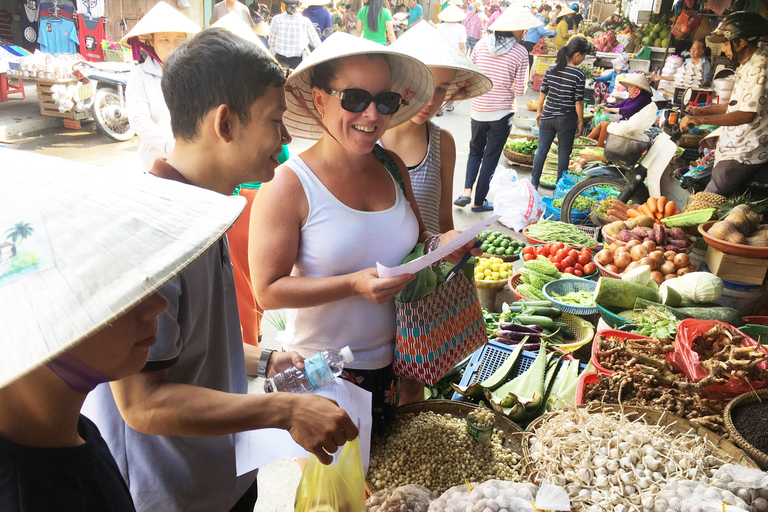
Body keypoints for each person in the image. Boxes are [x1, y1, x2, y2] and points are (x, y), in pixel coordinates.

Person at [82, 28, 358, 512]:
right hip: (168, 493)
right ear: (225, 123)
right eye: (276, 121)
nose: (287, 137)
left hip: (222, 476)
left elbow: (192, 346)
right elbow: (143, 403)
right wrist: (286, 408)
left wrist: (265, 360)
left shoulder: (207, 211)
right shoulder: (153, 233)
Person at [250, 32, 479, 423]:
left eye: (385, 101)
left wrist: (445, 243)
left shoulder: (392, 165)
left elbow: (420, 239)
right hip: (326, 374)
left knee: (393, 484)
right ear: (320, 98)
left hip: (402, 361)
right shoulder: (288, 184)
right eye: (355, 98)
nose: (371, 114)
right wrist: (352, 284)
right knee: (340, 484)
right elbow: (267, 291)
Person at [0, 148, 245, 512]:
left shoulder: (73, 432)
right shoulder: (29, 493)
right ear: (45, 312)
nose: (158, 304)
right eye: (121, 290)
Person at [382, 21, 491, 233]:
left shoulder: (443, 143)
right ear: (399, 80)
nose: (431, 101)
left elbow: (443, 218)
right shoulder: (367, 139)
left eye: (441, 89)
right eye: (421, 86)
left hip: (426, 264)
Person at [454, 5, 536, 212]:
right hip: (502, 113)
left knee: (475, 152)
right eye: (522, 29)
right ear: (515, 30)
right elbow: (519, 90)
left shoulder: (481, 45)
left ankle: (466, 191)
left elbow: (471, 75)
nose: (523, 33)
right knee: (490, 157)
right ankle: (479, 202)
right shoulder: (520, 52)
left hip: (478, 109)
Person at [680, 12, 768, 196]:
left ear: (741, 42)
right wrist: (700, 111)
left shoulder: (760, 66)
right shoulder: (747, 64)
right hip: (731, 146)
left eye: (726, 43)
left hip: (746, 152)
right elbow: (735, 104)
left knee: (708, 201)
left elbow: (747, 114)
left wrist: (701, 120)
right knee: (694, 181)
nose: (723, 49)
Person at [123, 3, 200, 172]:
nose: (172, 46)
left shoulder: (194, 73)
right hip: (155, 163)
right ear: (152, 41)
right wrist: (171, 147)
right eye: (164, 40)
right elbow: (139, 120)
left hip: (194, 161)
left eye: (179, 40)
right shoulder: (140, 75)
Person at [531, 36, 589, 189]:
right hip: (566, 120)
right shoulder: (578, 75)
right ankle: (559, 187)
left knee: (541, 151)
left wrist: (539, 112)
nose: (583, 59)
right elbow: (578, 102)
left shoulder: (551, 69)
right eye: (583, 56)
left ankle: (534, 184)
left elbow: (542, 93)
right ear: (577, 54)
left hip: (547, 116)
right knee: (563, 154)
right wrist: (581, 122)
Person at [587, 72, 654, 147]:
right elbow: (618, 105)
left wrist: (610, 110)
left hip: (632, 128)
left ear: (638, 89)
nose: (628, 88)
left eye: (631, 86)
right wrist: (606, 106)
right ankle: (585, 142)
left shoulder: (643, 99)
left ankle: (599, 148)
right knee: (603, 125)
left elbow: (630, 110)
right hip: (624, 124)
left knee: (605, 125)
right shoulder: (632, 98)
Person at [270, 0, 322, 69]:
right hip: (298, 61)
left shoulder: (276, 19)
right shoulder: (305, 21)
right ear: (299, 4)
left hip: (280, 59)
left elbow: (271, 43)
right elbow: (317, 43)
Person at [522, 3, 556, 68]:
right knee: (530, 63)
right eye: (547, 11)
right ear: (543, 10)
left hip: (530, 41)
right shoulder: (539, 17)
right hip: (530, 42)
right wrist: (553, 32)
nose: (547, 14)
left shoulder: (538, 17)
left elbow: (540, 33)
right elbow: (541, 31)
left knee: (530, 62)